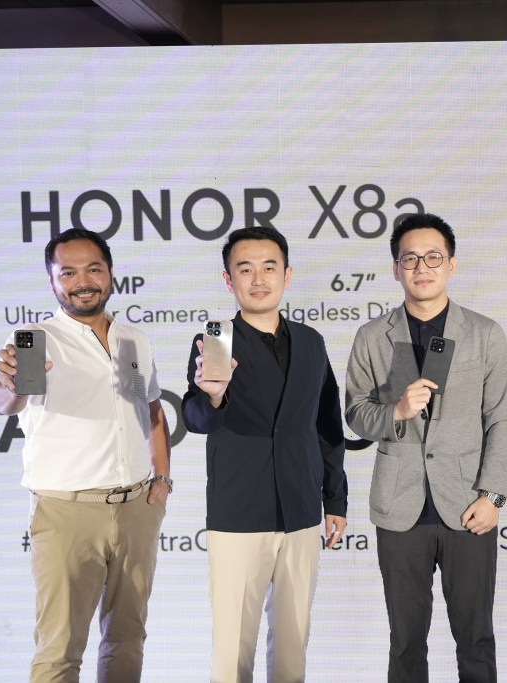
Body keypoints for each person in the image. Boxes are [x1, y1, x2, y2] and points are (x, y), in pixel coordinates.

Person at [0, 227, 171, 682]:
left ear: (110, 273)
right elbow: (5, 399)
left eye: (93, 269)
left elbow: (152, 411)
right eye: (68, 272)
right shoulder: (35, 338)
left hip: (136, 507)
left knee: (128, 638)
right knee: (59, 650)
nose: (83, 281)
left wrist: (162, 481)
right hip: (66, 512)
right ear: (52, 280)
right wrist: (10, 385)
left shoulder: (134, 340)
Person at [344, 213, 507, 683]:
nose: (422, 267)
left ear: (452, 265)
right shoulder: (372, 337)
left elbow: (503, 418)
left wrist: (492, 495)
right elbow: (356, 414)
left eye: (433, 257)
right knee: (405, 643)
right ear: (395, 268)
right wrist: (396, 411)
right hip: (399, 507)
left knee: (475, 639)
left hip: (468, 505)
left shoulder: (483, 333)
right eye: (410, 259)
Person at [181, 226, 348, 682]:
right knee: (232, 650)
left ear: (287, 275)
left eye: (269, 267)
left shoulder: (311, 342)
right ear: (228, 279)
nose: (258, 279)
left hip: (301, 510)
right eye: (245, 269)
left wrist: (334, 500)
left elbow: (327, 425)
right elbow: (196, 417)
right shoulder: (214, 341)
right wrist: (213, 395)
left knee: (293, 646)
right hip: (239, 513)